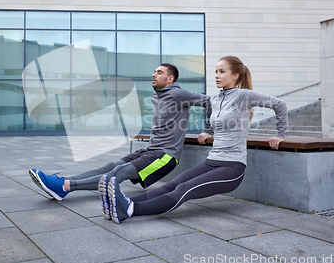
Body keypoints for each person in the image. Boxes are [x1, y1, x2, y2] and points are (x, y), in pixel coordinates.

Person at [104, 56, 289, 223]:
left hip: (232, 167)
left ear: (236, 76)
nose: (217, 75)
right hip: (211, 162)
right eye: (216, 71)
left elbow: (279, 104)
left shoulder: (243, 96)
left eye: (222, 71)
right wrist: (209, 132)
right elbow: (212, 114)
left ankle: (129, 209)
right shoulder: (216, 99)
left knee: (183, 189)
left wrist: (281, 135)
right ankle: (121, 202)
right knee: (173, 184)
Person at [29, 63, 212, 220]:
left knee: (119, 172)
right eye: (154, 72)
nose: (153, 75)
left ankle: (64, 186)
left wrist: (208, 131)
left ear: (170, 79)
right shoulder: (158, 96)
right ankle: (63, 181)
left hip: (164, 156)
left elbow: (210, 102)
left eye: (159, 72)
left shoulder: (178, 94)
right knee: (111, 165)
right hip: (150, 150)